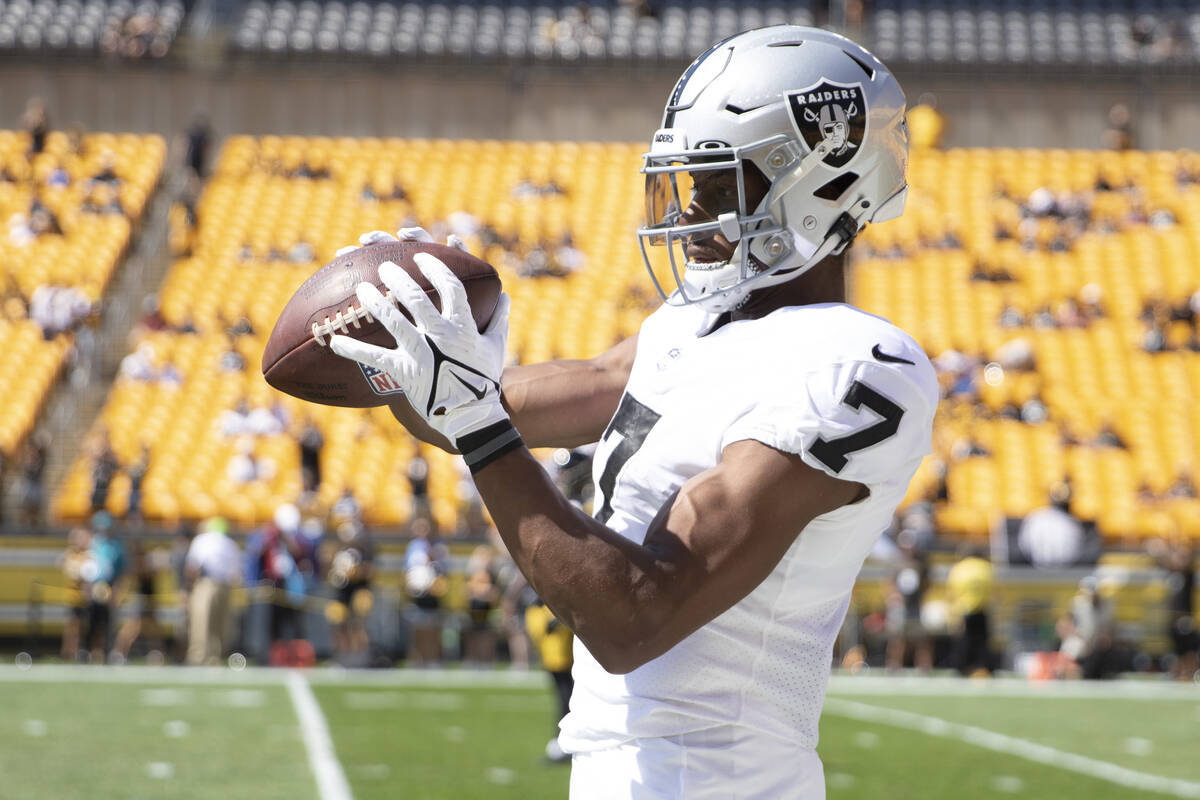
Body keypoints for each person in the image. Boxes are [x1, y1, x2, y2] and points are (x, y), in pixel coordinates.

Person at [328, 26, 934, 797]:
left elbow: (635, 618)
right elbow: (472, 410)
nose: (693, 208)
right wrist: (403, 331)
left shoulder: (856, 365)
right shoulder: (692, 324)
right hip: (629, 768)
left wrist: (474, 416)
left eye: (723, 184)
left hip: (718, 776)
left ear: (823, 185)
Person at [184, 517, 241, 665]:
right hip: (224, 585)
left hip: (205, 584)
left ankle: (198, 656)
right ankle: (215, 657)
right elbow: (236, 572)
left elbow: (192, 566)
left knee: (201, 621)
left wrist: (189, 588)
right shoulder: (230, 544)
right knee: (220, 623)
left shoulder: (201, 540)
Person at [526, 596, 575, 764]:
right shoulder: (537, 610)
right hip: (555, 663)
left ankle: (563, 743)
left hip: (566, 662)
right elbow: (543, 630)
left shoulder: (547, 608)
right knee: (564, 702)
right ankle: (562, 743)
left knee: (567, 703)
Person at [946, 545, 994, 676]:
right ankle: (982, 668)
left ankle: (962, 668)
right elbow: (992, 590)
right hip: (982, 608)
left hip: (963, 609)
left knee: (964, 642)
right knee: (982, 643)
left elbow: (952, 592)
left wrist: (952, 613)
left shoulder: (959, 568)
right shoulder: (986, 567)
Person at [1017, 482, 1085, 568]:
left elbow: (1023, 545)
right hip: (1061, 572)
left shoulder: (1036, 517)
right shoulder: (1071, 523)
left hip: (1037, 569)